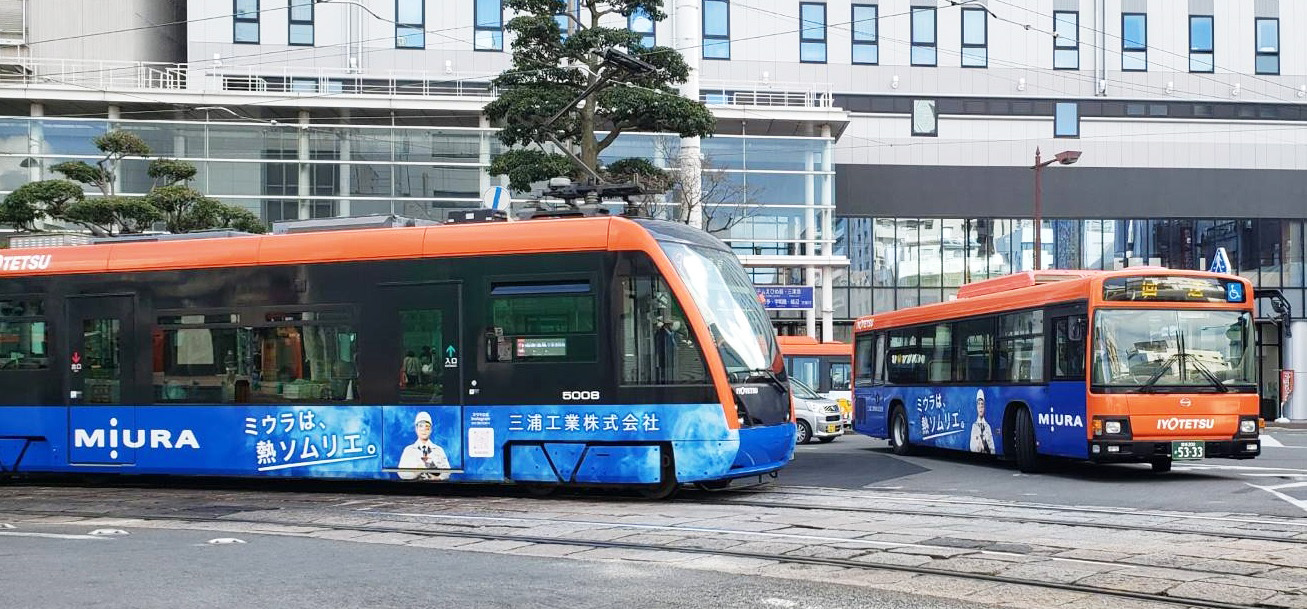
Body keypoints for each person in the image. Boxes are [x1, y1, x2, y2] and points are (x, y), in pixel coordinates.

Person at [397, 411, 450, 481]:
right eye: (421, 426)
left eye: (427, 426)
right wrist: (416, 472)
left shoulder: (439, 450)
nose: (423, 430)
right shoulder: (408, 450)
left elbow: (447, 472)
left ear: (431, 429)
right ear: (416, 429)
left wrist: (437, 478)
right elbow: (401, 473)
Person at [969, 389, 995, 454]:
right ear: (977, 407)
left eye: (982, 405)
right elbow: (972, 447)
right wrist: (979, 445)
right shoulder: (974, 426)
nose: (980, 407)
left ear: (984, 407)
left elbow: (993, 449)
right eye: (979, 404)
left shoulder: (988, 427)